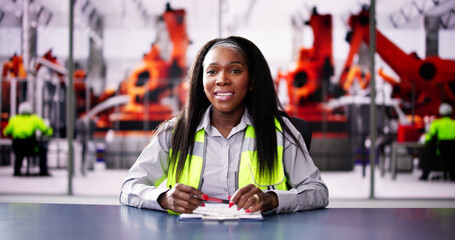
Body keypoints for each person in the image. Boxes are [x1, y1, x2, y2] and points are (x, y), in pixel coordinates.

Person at [119, 36, 329, 214]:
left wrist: (273, 200)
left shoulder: (279, 132)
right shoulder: (174, 132)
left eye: (235, 71)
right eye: (212, 71)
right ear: (201, 81)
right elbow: (129, 187)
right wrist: (163, 198)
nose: (222, 80)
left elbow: (317, 191)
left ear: (252, 81)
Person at [3, 102, 53, 176]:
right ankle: (43, 171)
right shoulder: (35, 119)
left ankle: (17, 171)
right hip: (31, 148)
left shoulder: (14, 119)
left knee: (19, 155)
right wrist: (47, 132)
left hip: (17, 147)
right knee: (43, 150)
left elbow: (6, 132)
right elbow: (47, 130)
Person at [419, 103, 455, 181]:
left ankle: (425, 174)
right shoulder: (454, 124)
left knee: (426, 152)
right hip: (453, 152)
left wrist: (424, 141)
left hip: (440, 150)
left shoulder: (436, 123)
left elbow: (430, 136)